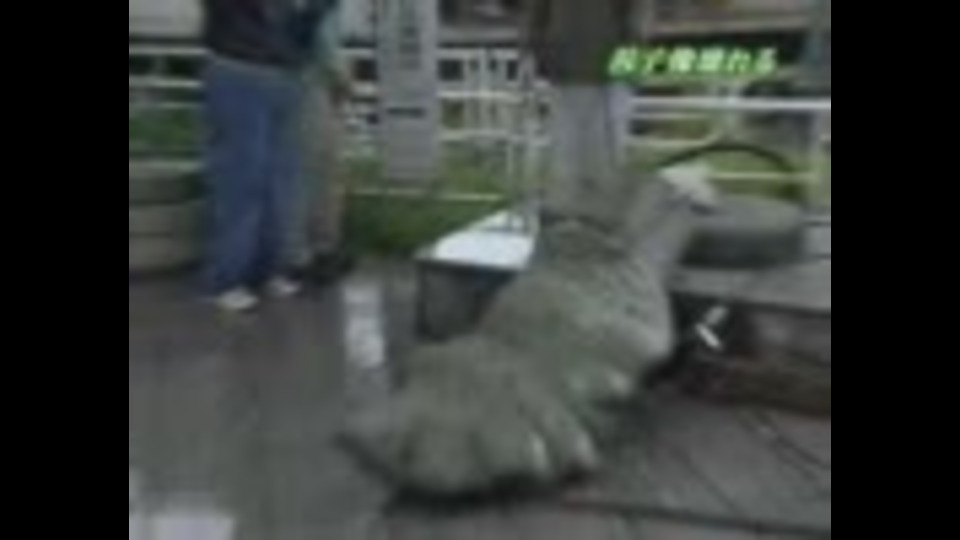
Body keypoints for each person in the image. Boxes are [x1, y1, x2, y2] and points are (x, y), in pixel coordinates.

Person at [199, 0, 338, 312]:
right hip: (237, 69)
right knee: (241, 179)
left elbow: (306, 21)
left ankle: (269, 270)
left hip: (286, 74)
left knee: (281, 181)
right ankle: (225, 280)